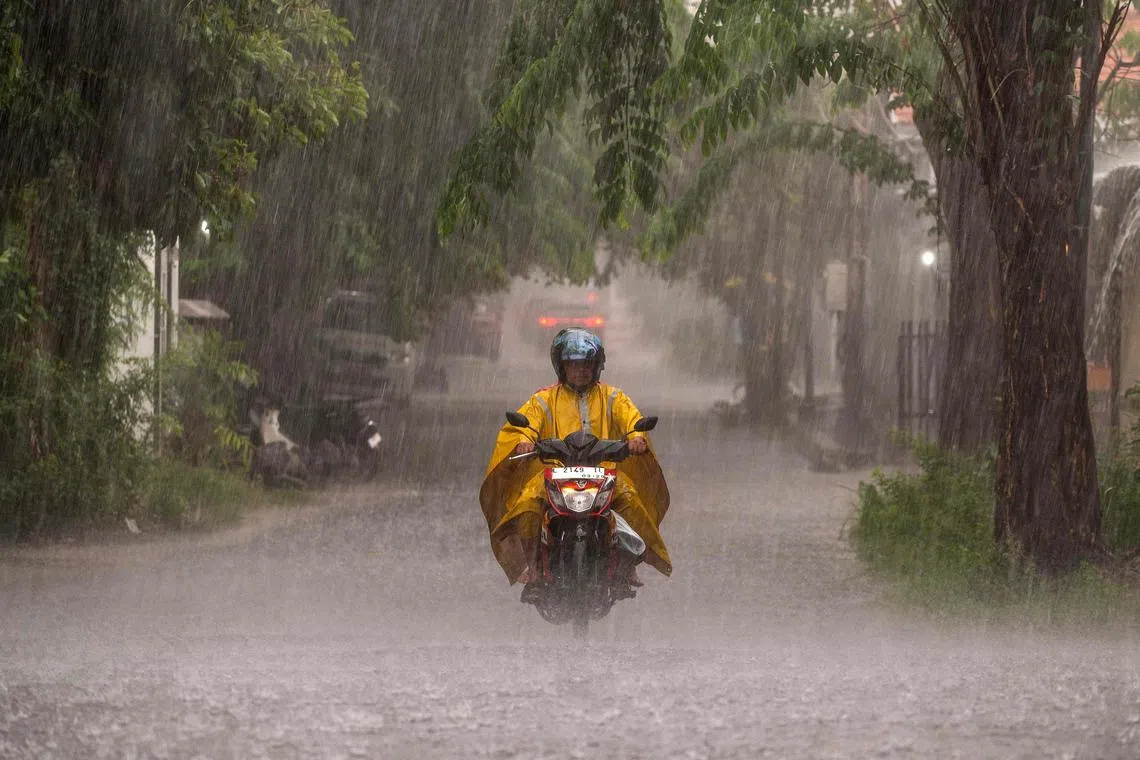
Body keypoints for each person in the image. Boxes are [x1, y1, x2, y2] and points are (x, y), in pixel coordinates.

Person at [479, 328, 672, 588]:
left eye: (587, 365)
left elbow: (632, 419)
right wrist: (523, 441)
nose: (580, 371)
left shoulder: (614, 397)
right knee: (526, 504)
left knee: (633, 502)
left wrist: (636, 437)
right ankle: (534, 568)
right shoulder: (543, 399)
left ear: (597, 366)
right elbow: (526, 424)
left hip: (605, 475)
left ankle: (627, 565)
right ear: (562, 367)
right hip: (553, 475)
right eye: (573, 365)